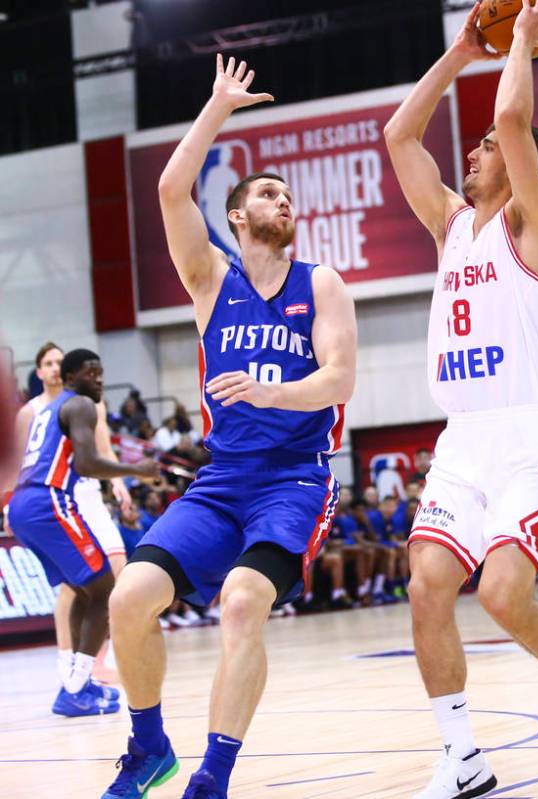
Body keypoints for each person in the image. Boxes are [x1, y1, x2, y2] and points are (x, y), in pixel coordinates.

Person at [99, 54, 357, 799]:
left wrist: (270, 393)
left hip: (294, 479)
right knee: (129, 597)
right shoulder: (213, 280)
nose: (285, 201)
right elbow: (170, 189)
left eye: (287, 195)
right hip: (221, 482)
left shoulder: (322, 283)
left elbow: (339, 380)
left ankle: (211, 777)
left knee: (242, 602)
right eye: (268, 193)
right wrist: (217, 107)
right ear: (238, 216)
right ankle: (148, 748)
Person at [385, 3, 538, 795]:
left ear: (517, 166)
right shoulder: (449, 223)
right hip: (463, 439)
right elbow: (400, 138)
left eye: (483, 147)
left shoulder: (533, 221)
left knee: (503, 596)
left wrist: (515, 44)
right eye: (474, 146)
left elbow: (512, 115)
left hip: (529, 438)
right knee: (426, 584)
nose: (473, 152)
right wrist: (457, 54)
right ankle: (463, 754)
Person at [6, 350, 159, 718]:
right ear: (72, 376)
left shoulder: (48, 408)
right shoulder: (81, 406)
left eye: (102, 373)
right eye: (93, 373)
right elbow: (88, 462)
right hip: (50, 501)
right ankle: (76, 686)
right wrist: (135, 470)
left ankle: (76, 683)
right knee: (106, 588)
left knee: (81, 589)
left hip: (26, 503)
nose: (100, 380)